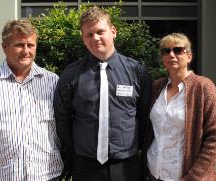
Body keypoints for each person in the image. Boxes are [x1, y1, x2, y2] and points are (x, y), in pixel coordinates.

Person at [54, 6, 152, 181]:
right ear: (83, 39)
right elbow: (62, 119)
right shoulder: (71, 75)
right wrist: (75, 153)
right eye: (89, 34)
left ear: (113, 31)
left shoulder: (136, 72)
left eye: (100, 31)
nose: (95, 38)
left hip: (126, 166)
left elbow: (144, 117)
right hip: (85, 167)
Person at [0, 19, 63, 180]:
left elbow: (64, 124)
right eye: (19, 45)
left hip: (47, 175)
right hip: (3, 175)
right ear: (4, 47)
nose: (25, 51)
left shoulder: (52, 82)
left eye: (30, 45)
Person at [146, 33, 216, 181]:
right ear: (162, 58)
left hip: (186, 175)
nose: (171, 54)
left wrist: (195, 177)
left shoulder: (203, 87)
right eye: (166, 51)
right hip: (154, 172)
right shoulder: (157, 87)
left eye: (178, 50)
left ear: (189, 56)